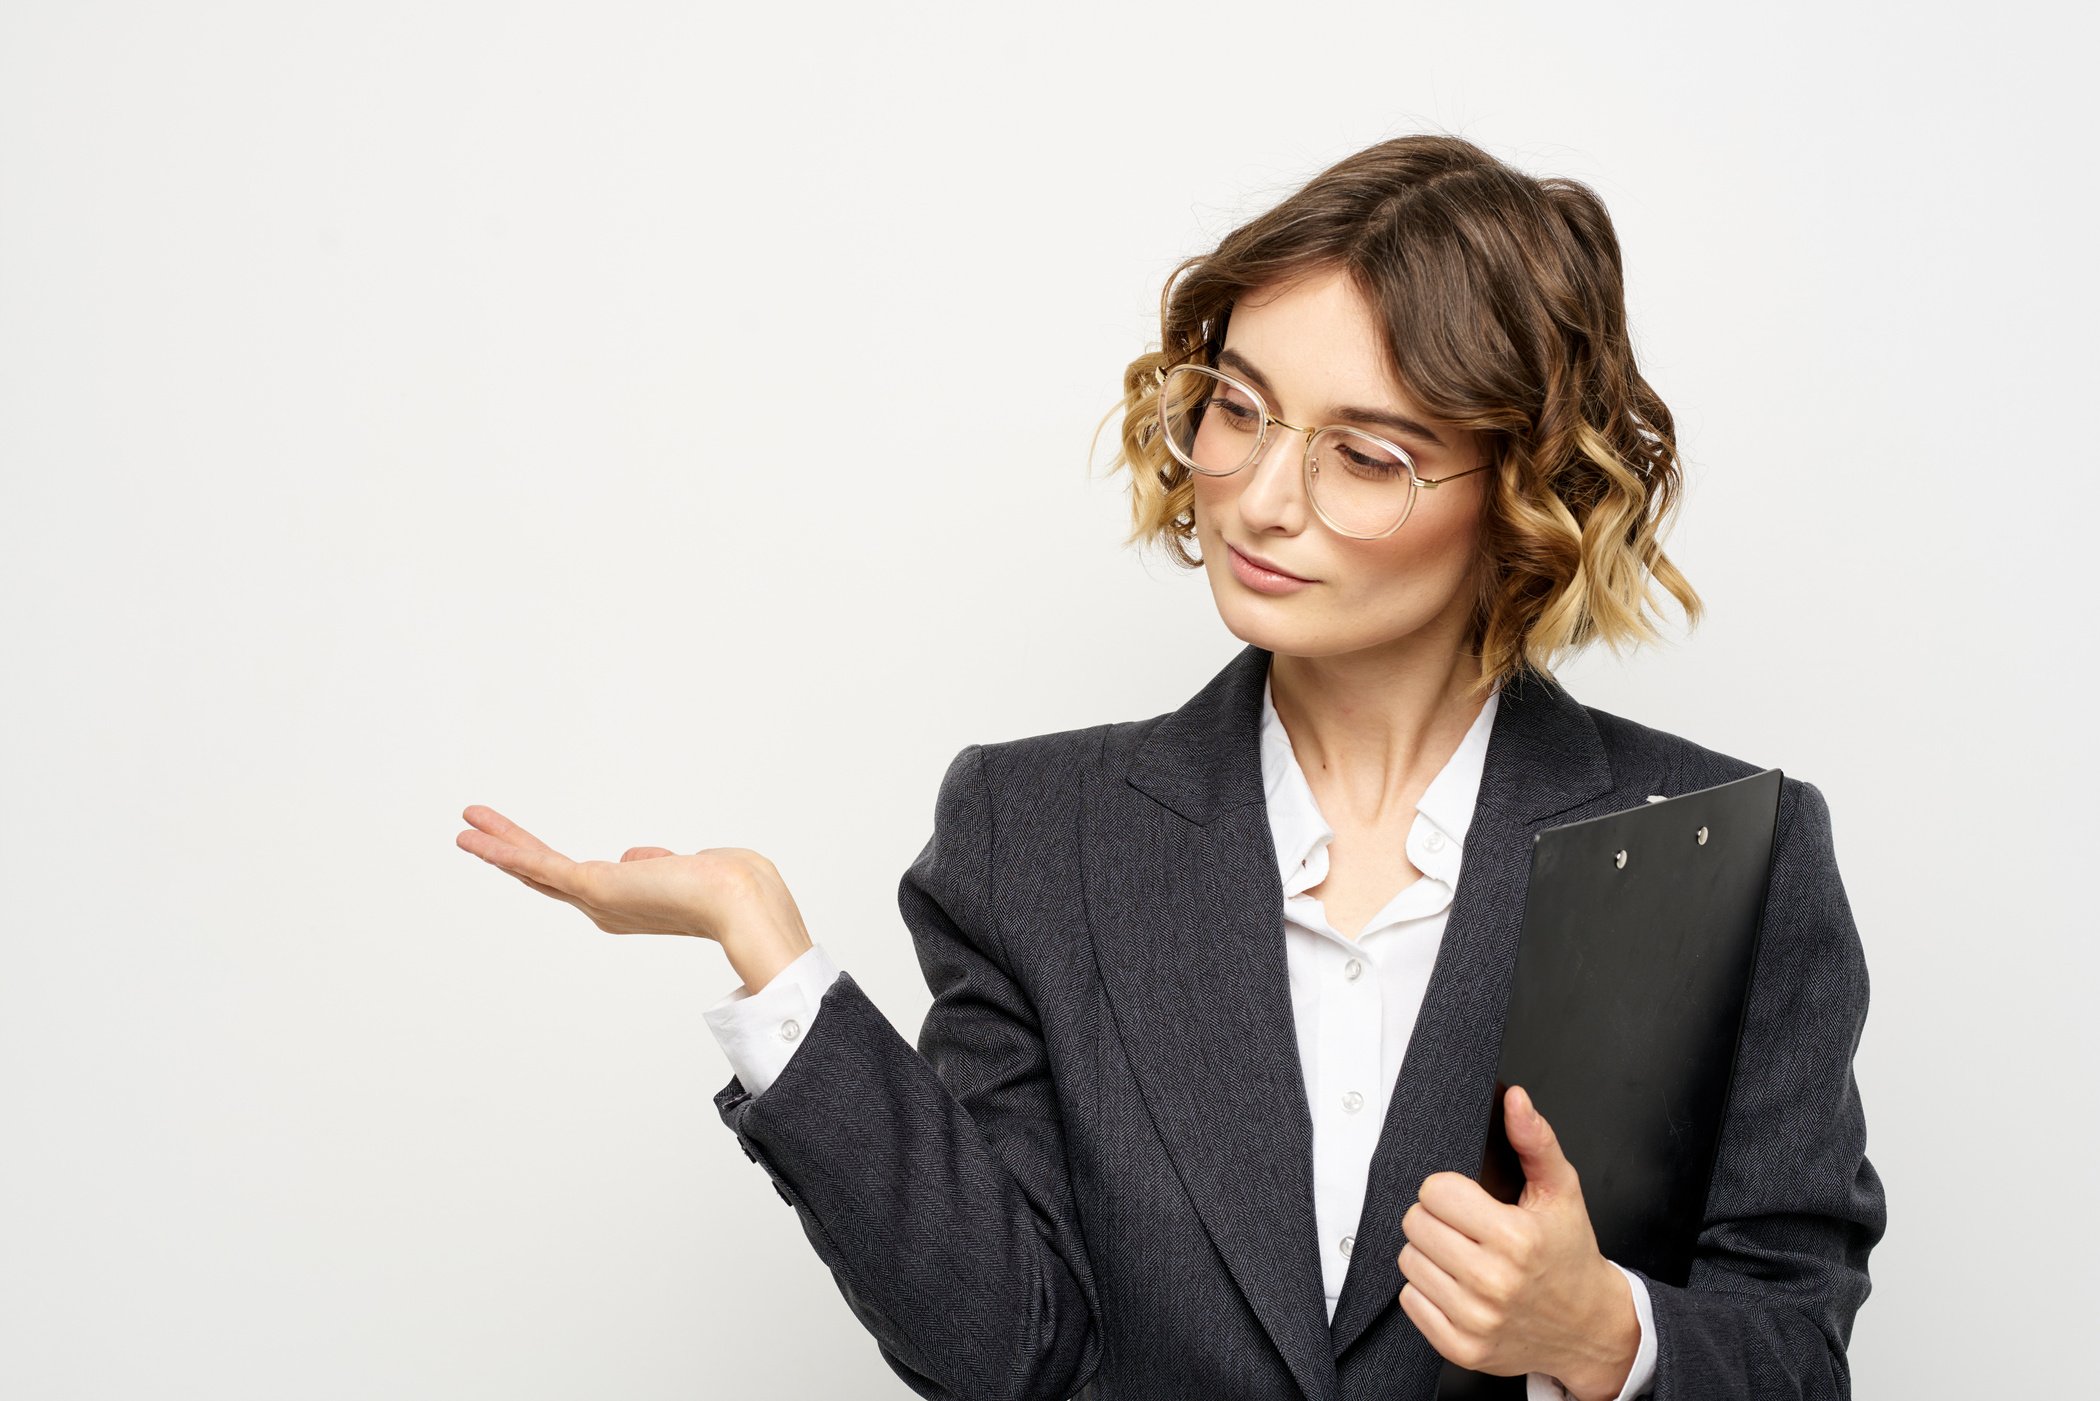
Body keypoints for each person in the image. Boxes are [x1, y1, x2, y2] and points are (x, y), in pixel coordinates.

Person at [456, 134, 1885, 1401]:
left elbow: (1793, 1352)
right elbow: (1008, 1347)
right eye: (1241, 407)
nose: (1262, 494)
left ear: (1525, 496)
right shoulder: (1031, 834)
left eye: (1366, 455)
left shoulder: (1720, 853)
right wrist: (769, 957)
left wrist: (1604, 1334)